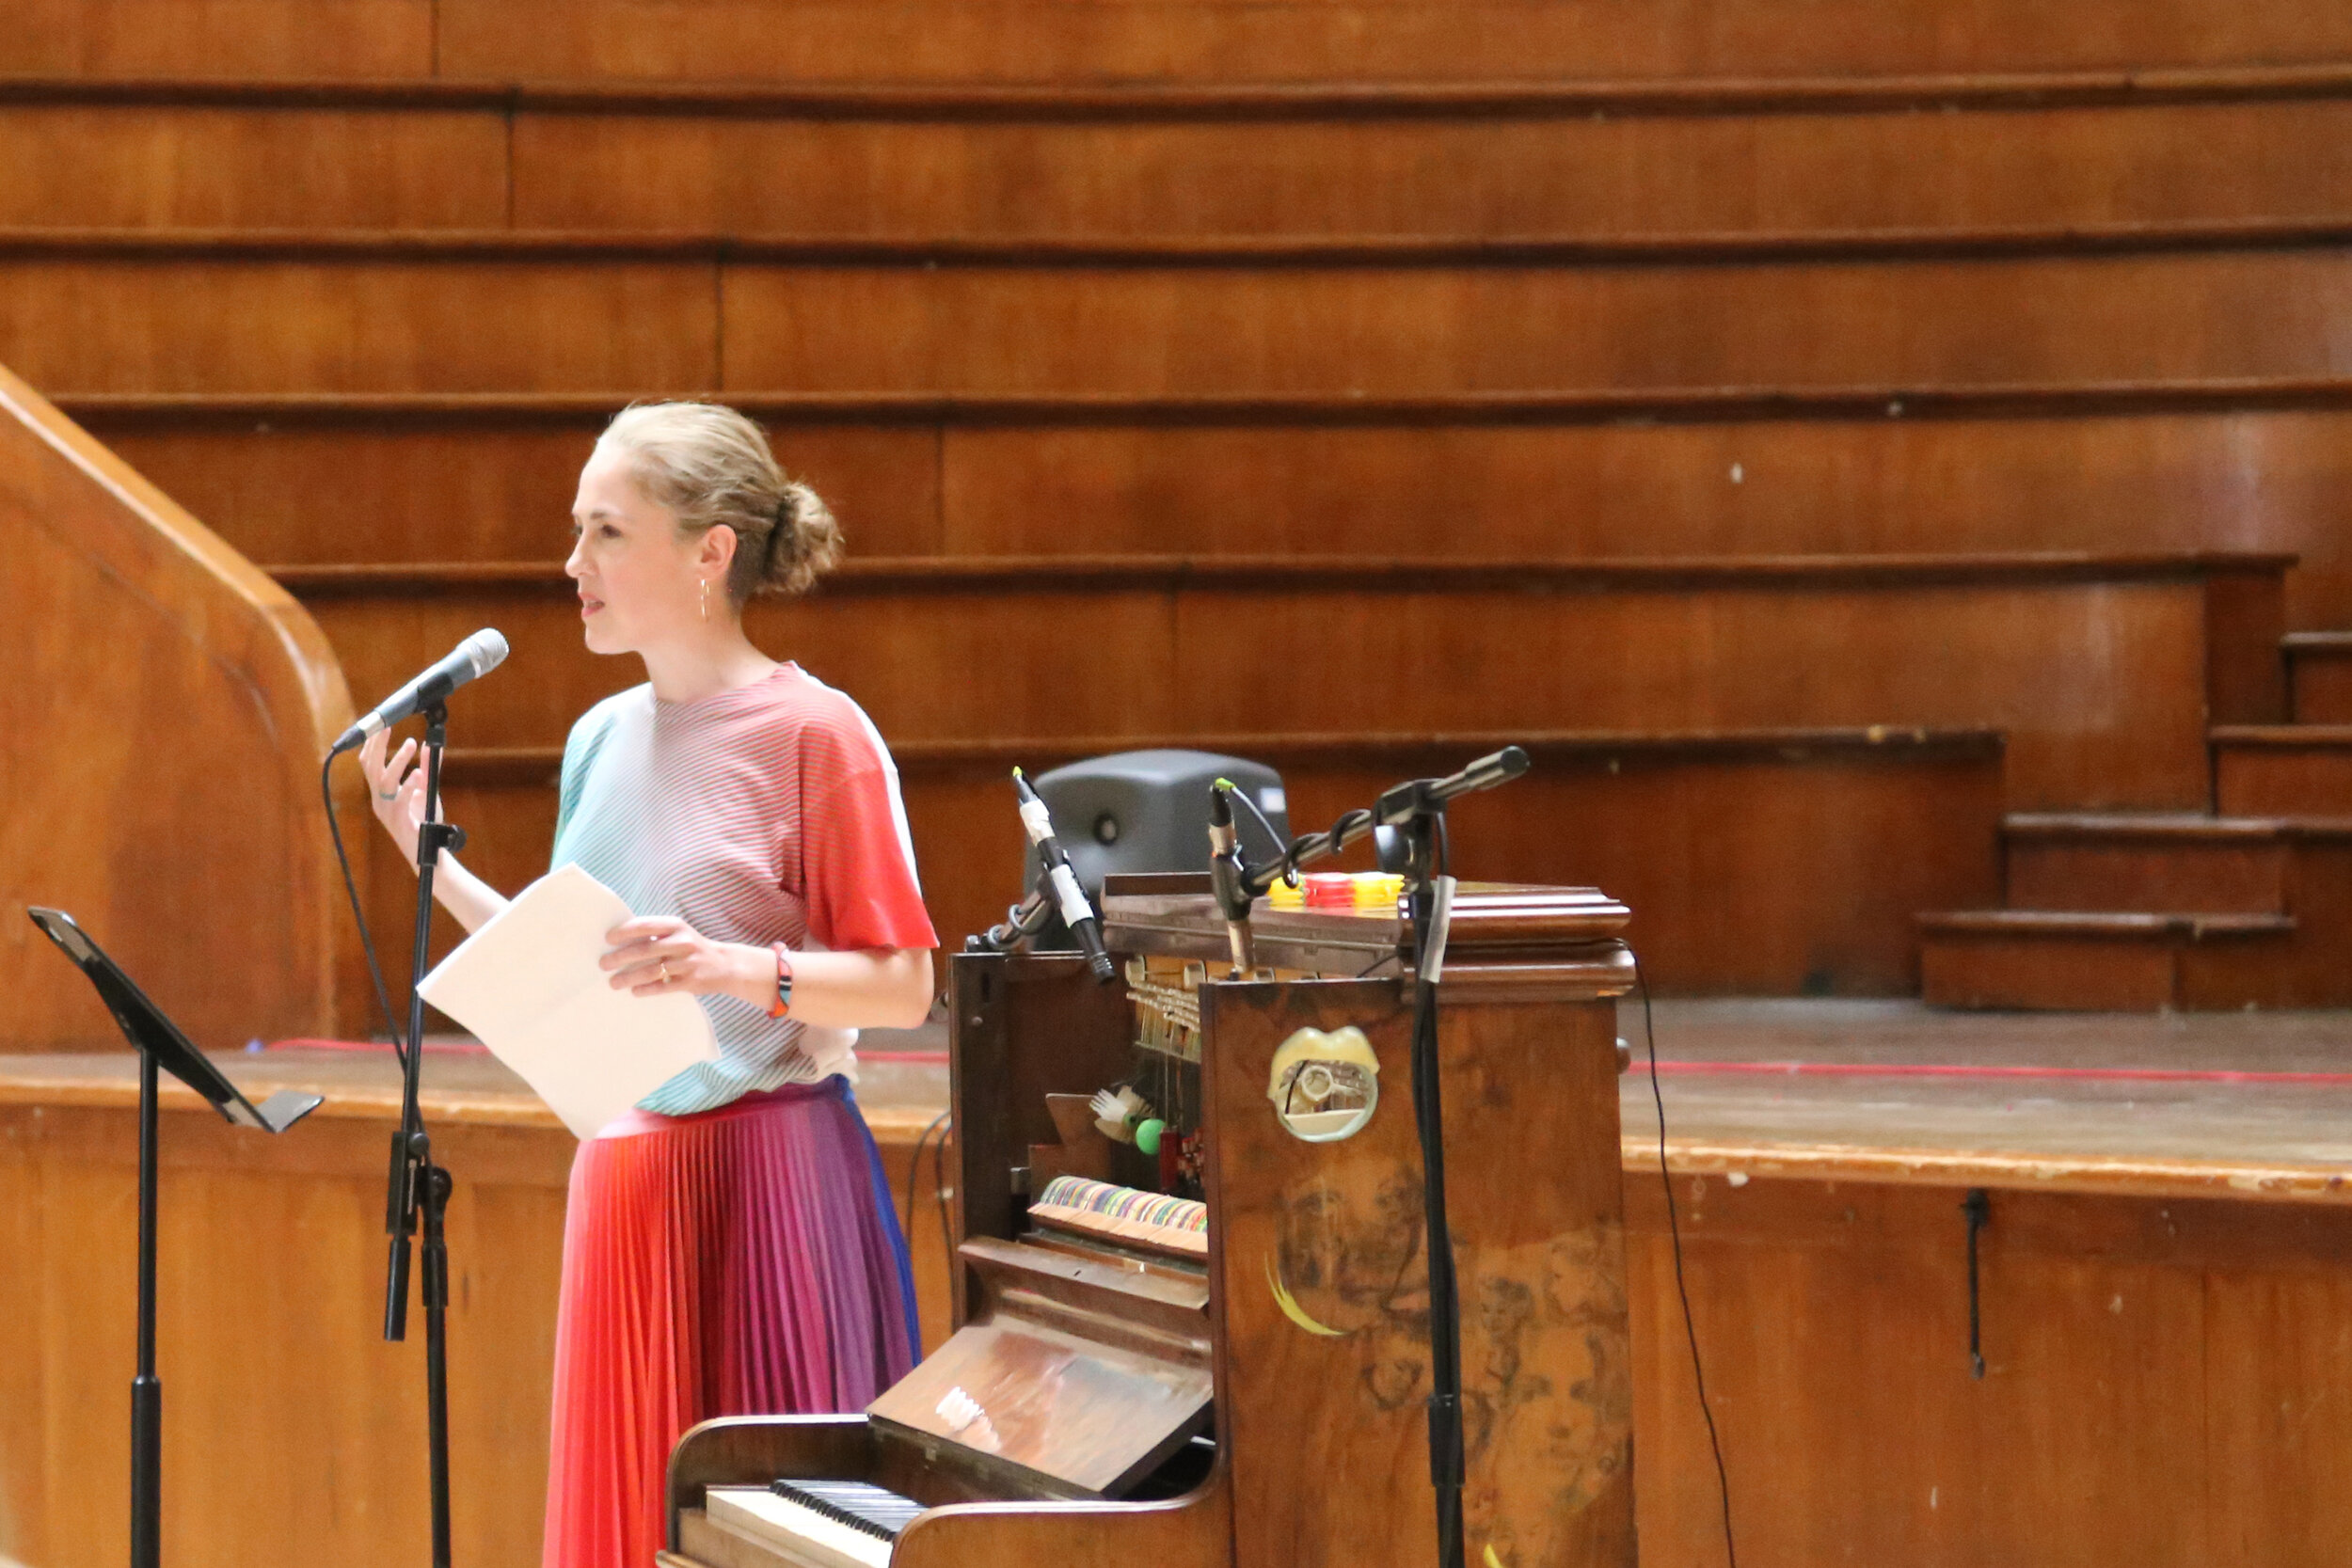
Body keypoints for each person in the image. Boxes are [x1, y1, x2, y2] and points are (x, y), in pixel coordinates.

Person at [358, 401, 936, 1568]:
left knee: (773, 1531)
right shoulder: (598, 736)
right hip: (626, 1180)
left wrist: (736, 966)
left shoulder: (818, 734)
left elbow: (904, 984)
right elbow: (583, 956)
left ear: (709, 550)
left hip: (770, 1179)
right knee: (628, 1522)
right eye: (579, 530)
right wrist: (430, 857)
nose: (573, 563)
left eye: (607, 532)